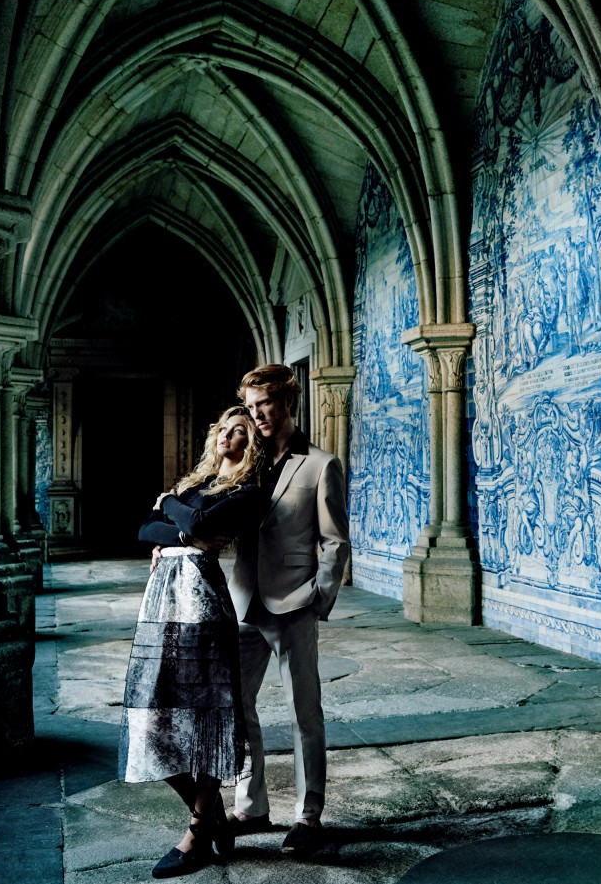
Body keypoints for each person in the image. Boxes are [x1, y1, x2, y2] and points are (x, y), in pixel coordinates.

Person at [119, 406, 263, 879]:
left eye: (240, 430)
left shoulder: (247, 489)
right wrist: (180, 521)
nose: (228, 435)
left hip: (202, 600)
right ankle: (212, 812)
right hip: (160, 601)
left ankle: (199, 830)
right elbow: (146, 528)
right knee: (150, 712)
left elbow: (195, 525)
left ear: (250, 443)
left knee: (206, 712)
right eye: (224, 428)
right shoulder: (194, 486)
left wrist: (171, 510)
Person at [226, 363, 350, 854]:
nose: (257, 416)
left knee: (304, 712)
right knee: (239, 707)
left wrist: (317, 601)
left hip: (294, 602)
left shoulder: (321, 464)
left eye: (265, 405)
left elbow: (334, 541)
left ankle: (308, 815)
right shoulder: (248, 461)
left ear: (288, 404)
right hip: (244, 602)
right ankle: (251, 807)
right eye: (251, 407)